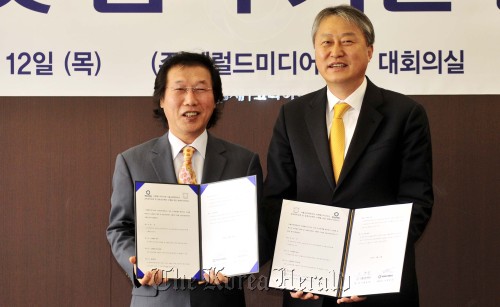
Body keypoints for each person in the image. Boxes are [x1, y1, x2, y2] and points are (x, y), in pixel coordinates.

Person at [263, 5, 433, 307]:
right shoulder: (293, 115)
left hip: (379, 289)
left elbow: (416, 201)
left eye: (348, 41)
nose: (336, 51)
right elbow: (277, 197)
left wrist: (371, 268)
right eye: (326, 42)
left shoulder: (405, 115)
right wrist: (298, 264)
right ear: (314, 52)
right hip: (309, 288)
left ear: (369, 50)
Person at [106, 51, 265, 307]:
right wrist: (136, 263)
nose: (190, 100)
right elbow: (119, 228)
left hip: (220, 299)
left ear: (216, 100)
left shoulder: (243, 161)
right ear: (161, 99)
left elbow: (258, 231)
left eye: (201, 89)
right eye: (180, 89)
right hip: (157, 299)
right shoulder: (132, 161)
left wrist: (236, 266)